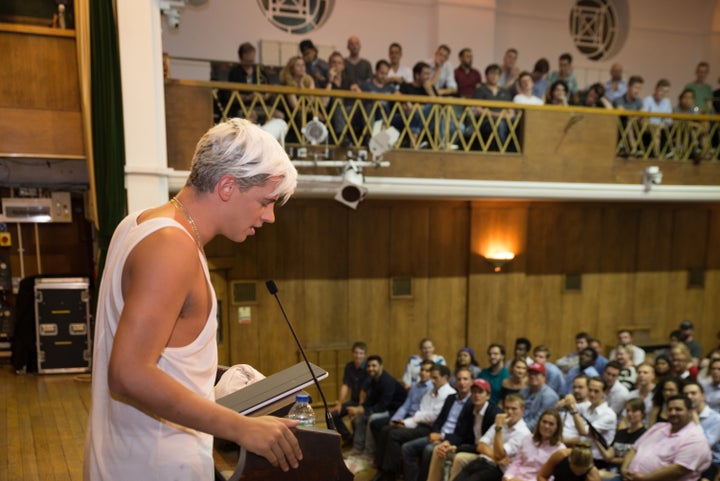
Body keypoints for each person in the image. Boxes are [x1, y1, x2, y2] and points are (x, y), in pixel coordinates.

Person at [84, 118, 302, 480]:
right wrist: (241, 428)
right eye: (266, 202)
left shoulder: (136, 223)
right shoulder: (172, 247)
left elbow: (158, 353)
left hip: (123, 455)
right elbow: (128, 372)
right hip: (154, 467)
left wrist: (213, 373)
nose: (269, 217)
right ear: (228, 186)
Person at [372, 364, 456, 481]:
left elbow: (433, 417)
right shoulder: (430, 392)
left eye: (435, 378)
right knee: (387, 429)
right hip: (419, 424)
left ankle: (391, 473)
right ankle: (382, 469)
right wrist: (404, 423)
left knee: (394, 435)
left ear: (445, 378)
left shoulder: (449, 393)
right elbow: (421, 413)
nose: (431, 381)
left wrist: (416, 418)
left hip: (431, 429)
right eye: (431, 377)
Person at [400, 368, 475, 481]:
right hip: (438, 435)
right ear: (455, 382)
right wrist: (435, 433)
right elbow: (440, 420)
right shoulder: (451, 398)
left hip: (452, 440)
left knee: (429, 450)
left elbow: (464, 434)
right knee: (407, 448)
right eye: (459, 379)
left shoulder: (473, 403)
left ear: (471, 382)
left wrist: (442, 437)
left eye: (465, 379)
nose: (462, 382)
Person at [424, 378, 503, 481]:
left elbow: (486, 446)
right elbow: (461, 434)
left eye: (480, 392)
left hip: (485, 453)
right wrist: (448, 443)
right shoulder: (469, 409)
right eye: (474, 392)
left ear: (488, 396)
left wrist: (456, 448)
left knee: (459, 458)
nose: (476, 395)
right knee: (438, 450)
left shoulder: (494, 414)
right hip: (470, 447)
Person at [619, 395, 711, 481]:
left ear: (690, 412)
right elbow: (634, 449)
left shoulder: (695, 439)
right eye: (670, 409)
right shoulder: (658, 427)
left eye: (678, 409)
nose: (673, 413)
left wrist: (644, 479)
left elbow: (678, 470)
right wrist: (624, 469)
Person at [447, 394, 531, 481]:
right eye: (507, 408)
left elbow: (500, 454)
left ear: (522, 411)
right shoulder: (501, 422)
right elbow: (481, 445)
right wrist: (495, 458)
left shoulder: (522, 433)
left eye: (514, 409)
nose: (509, 412)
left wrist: (498, 429)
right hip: (482, 460)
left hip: (497, 469)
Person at [346, 354, 407, 456]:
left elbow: (382, 406)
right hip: (385, 408)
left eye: (374, 366)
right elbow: (371, 401)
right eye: (369, 366)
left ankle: (369, 453)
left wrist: (362, 410)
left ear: (381, 366)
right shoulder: (374, 380)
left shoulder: (387, 381)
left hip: (396, 411)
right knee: (360, 417)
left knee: (372, 418)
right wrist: (359, 409)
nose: (370, 368)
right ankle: (358, 447)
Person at [494, 409, 565, 481]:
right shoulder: (528, 438)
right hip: (516, 478)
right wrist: (508, 477)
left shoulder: (560, 450)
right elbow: (517, 462)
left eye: (551, 424)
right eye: (544, 422)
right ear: (539, 423)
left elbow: (552, 477)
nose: (546, 426)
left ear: (557, 427)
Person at [567, 376, 617, 465]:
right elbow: (562, 405)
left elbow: (583, 431)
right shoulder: (586, 406)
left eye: (596, 391)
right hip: (580, 455)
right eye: (590, 390)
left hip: (596, 460)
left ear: (604, 393)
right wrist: (568, 399)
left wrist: (574, 411)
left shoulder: (609, 415)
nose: (592, 394)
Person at [594, 397, 647, 477]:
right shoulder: (621, 432)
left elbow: (633, 459)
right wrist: (595, 439)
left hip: (628, 472)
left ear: (642, 414)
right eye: (628, 411)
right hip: (611, 469)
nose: (630, 414)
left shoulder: (645, 434)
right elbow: (608, 456)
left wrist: (613, 460)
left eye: (634, 411)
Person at [331, 341, 369, 445]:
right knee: (333, 414)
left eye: (361, 353)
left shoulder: (368, 368)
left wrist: (358, 409)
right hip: (353, 401)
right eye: (356, 353)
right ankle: (347, 437)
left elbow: (364, 391)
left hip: (365, 404)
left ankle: (359, 443)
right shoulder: (349, 366)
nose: (358, 356)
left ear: (365, 355)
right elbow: (345, 385)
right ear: (352, 354)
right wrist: (339, 404)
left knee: (356, 419)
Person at [682, 381, 720, 481]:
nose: (689, 397)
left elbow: (704, 446)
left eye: (693, 393)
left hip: (710, 463)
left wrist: (696, 420)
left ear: (703, 396)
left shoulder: (716, 419)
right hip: (685, 458)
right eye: (686, 394)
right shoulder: (681, 416)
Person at [518, 362, 559, 431]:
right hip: (519, 427)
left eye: (536, 374)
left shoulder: (550, 396)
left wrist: (520, 430)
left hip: (534, 433)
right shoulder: (523, 391)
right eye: (531, 373)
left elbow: (538, 422)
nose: (532, 376)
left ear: (544, 377)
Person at [556, 374, 591, 446]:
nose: (576, 390)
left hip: (573, 447)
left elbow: (584, 437)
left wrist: (561, 441)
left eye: (580, 387)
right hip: (557, 441)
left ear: (589, 389)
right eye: (574, 387)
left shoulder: (590, 408)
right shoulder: (566, 403)